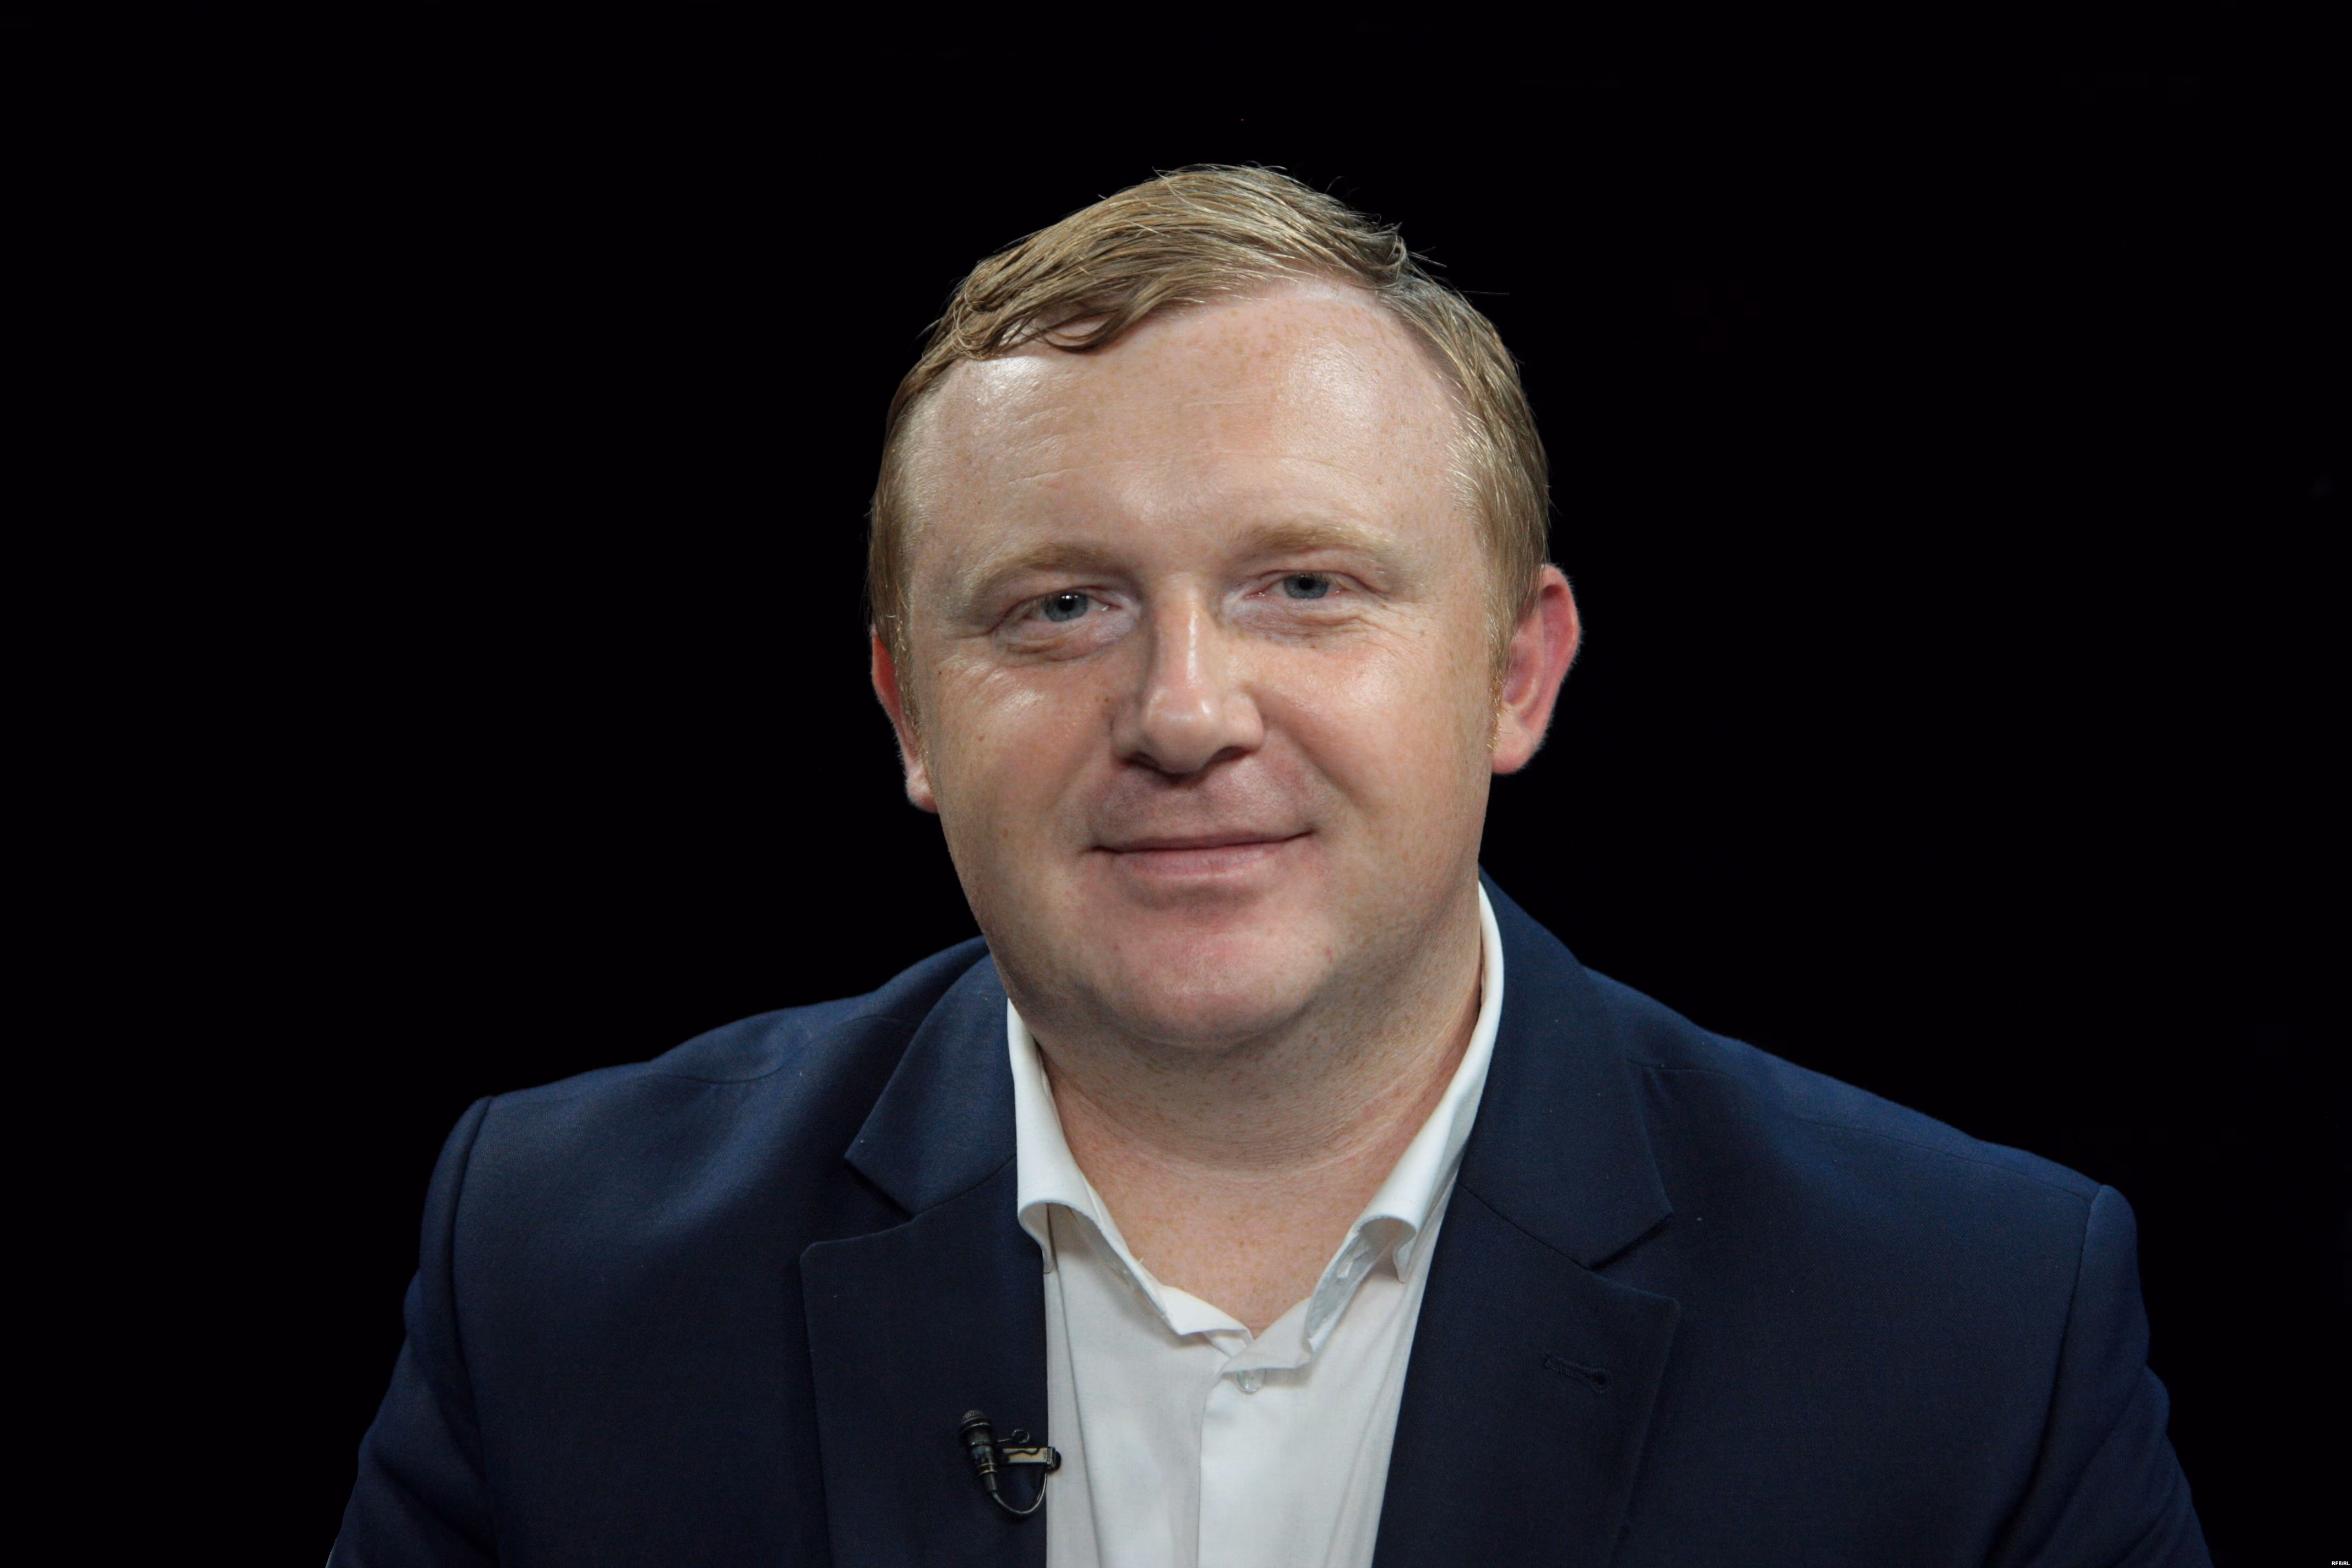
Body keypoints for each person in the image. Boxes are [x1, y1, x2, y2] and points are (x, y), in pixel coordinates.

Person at [333, 167, 2208, 1568]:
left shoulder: (1973, 1330)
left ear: (1517, 671)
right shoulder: (558, 1271)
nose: (1183, 712)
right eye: (1058, 607)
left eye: (1303, 587)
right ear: (910, 714)